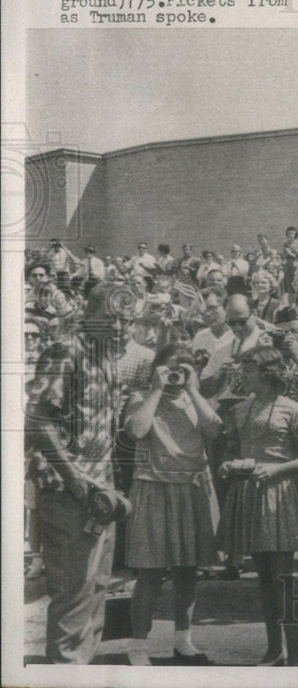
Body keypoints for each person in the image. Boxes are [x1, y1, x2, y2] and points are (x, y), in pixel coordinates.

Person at [24, 282, 130, 663]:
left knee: (95, 592)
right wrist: (73, 478)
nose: (120, 325)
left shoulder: (109, 356)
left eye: (126, 318)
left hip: (99, 494)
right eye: (112, 316)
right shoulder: (67, 350)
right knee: (72, 597)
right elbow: (37, 419)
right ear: (90, 313)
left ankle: (80, 670)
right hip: (67, 493)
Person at [217, 346, 298, 667]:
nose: (243, 376)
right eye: (243, 370)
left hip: (282, 492)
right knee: (262, 576)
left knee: (282, 578)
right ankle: (275, 650)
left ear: (268, 373)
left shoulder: (292, 409)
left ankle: (295, 652)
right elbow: (233, 448)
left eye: (249, 370)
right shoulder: (241, 408)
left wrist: (278, 468)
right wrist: (228, 465)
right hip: (250, 493)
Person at [123, 344, 222, 665]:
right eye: (170, 368)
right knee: (150, 573)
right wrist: (155, 390)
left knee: (188, 571)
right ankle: (138, 647)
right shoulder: (141, 397)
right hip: (154, 488)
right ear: (156, 369)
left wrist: (194, 390)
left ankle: (183, 641)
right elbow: (136, 430)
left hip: (191, 487)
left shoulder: (196, 399)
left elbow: (214, 429)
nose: (177, 374)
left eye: (185, 368)